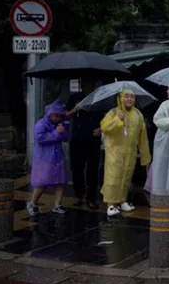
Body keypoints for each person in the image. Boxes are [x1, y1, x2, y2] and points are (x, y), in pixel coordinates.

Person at [100, 88, 152, 217]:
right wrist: (117, 119)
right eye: (126, 96)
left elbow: (142, 135)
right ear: (121, 98)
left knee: (126, 177)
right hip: (115, 151)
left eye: (132, 97)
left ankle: (122, 200)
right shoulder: (113, 112)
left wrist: (145, 154)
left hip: (130, 152)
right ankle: (111, 204)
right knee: (113, 177)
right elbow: (104, 127)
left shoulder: (138, 114)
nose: (129, 99)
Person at [27, 99, 70, 217]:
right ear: (49, 114)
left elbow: (66, 136)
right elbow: (40, 138)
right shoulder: (41, 124)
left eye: (59, 116)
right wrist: (57, 133)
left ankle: (58, 205)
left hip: (57, 158)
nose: (57, 118)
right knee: (42, 183)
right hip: (44, 158)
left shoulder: (60, 124)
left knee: (60, 182)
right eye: (55, 115)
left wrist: (62, 132)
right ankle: (33, 203)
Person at [65, 80, 102, 210]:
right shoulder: (75, 97)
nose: (89, 85)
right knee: (77, 167)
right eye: (86, 82)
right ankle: (78, 194)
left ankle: (91, 197)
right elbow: (65, 115)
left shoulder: (99, 98)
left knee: (92, 168)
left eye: (91, 82)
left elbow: (108, 117)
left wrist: (101, 129)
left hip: (93, 138)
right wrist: (75, 109)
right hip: (77, 137)